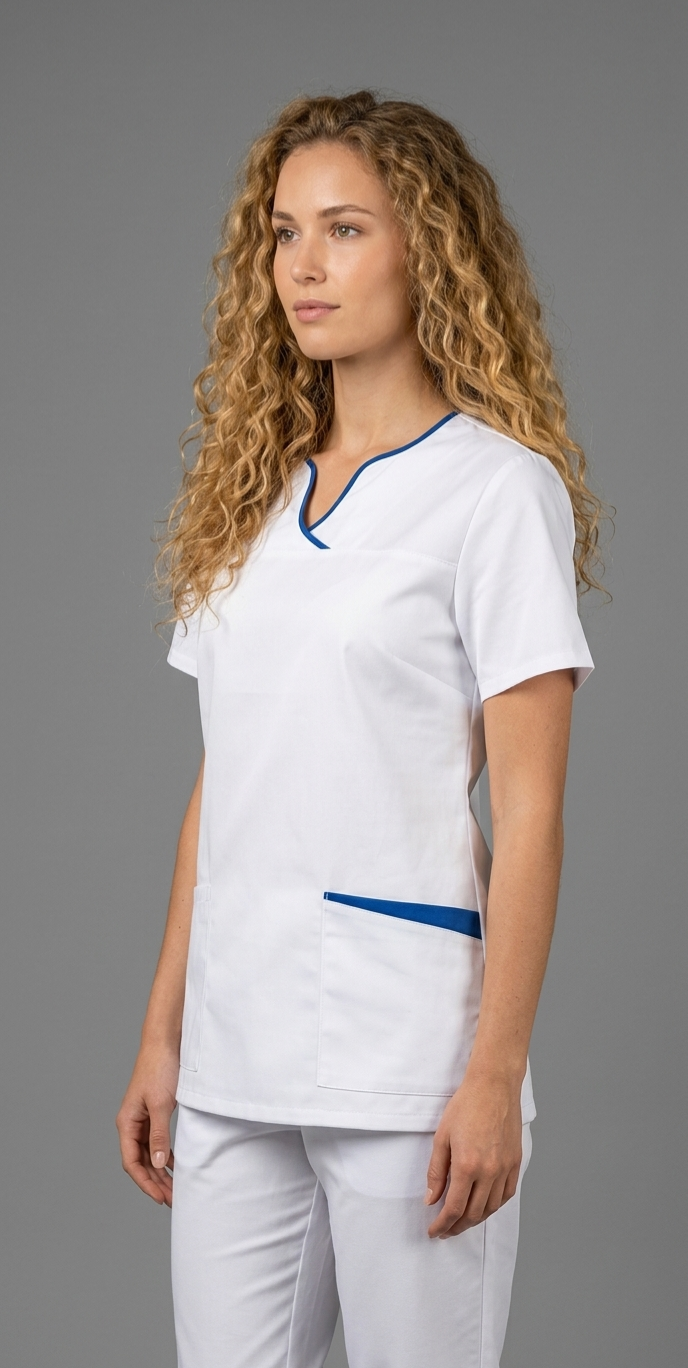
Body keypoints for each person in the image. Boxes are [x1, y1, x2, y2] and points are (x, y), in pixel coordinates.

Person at [117, 90, 601, 1368]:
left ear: (427, 250)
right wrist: (165, 1033)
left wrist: (494, 1070)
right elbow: (225, 780)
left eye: (344, 229)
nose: (303, 266)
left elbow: (531, 810)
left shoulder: (497, 493)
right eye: (284, 233)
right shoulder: (251, 502)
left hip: (406, 1056)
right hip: (233, 1056)